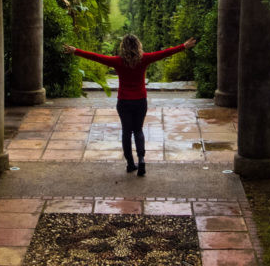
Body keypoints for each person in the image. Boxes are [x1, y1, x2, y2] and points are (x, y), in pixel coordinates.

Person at [63, 35, 196, 176]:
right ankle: (142, 159)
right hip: (140, 101)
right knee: (138, 130)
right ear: (138, 46)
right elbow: (164, 53)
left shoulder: (118, 61)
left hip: (124, 102)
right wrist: (183, 46)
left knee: (126, 132)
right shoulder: (144, 59)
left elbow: (96, 57)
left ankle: (130, 164)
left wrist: (75, 51)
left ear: (123, 47)